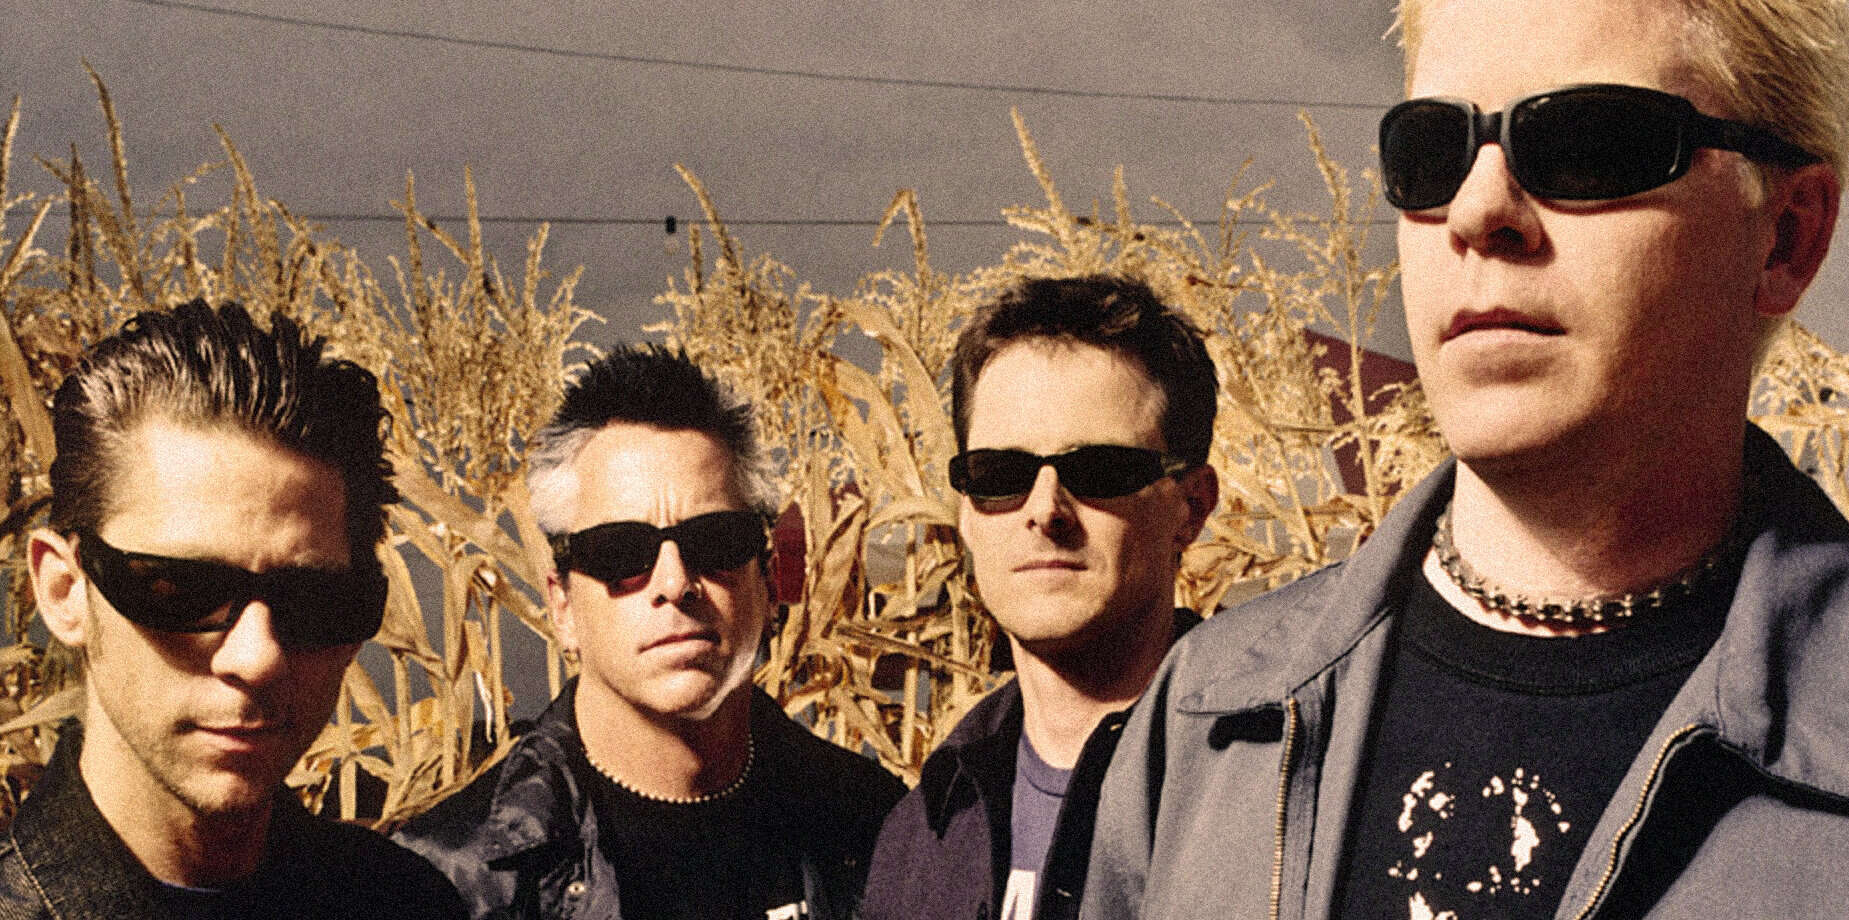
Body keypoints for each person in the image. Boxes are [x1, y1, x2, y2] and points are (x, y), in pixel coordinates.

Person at [1080, 1, 1849, 918]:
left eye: (1585, 141)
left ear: (1788, 236)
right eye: (1431, 150)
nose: (1479, 211)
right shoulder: (1206, 719)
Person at [394, 344, 905, 920]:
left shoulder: (878, 828)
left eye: (714, 541)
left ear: (767, 581)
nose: (675, 582)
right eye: (621, 552)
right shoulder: (451, 884)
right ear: (562, 604)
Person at [17, 300, 465, 918]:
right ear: (65, 592)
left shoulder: (413, 903)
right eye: (182, 590)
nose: (257, 658)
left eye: (315, 601)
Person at [860, 276, 1220, 920]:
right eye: (1001, 476)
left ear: (1191, 507)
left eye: (1099, 471)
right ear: (965, 513)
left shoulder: (1272, 788)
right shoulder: (924, 830)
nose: (1045, 510)